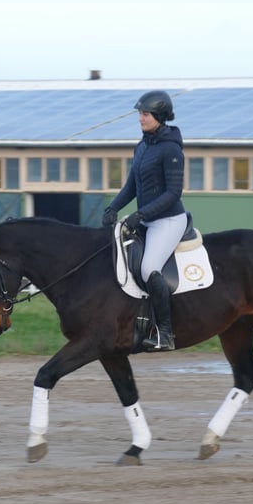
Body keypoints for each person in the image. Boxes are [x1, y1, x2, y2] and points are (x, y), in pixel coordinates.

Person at [102, 90, 187, 351]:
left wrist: (141, 215)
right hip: (147, 219)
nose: (140, 118)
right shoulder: (142, 146)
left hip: (168, 221)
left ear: (159, 116)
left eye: (145, 114)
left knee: (149, 267)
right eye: (140, 113)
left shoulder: (171, 149)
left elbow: (173, 193)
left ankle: (165, 333)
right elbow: (132, 186)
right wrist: (113, 207)